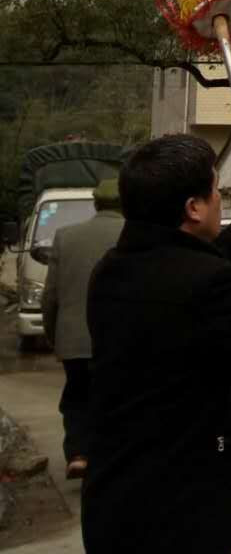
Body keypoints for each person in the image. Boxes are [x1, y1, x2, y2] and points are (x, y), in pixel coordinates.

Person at [82, 135, 231, 554]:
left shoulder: (111, 270)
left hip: (115, 494)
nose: (220, 202)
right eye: (215, 191)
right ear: (193, 208)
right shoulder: (207, 282)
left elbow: (181, 280)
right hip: (179, 504)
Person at [41, 177, 125, 480]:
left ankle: (78, 453)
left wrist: (54, 336)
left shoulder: (66, 236)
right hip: (119, 340)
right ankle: (111, 455)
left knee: (76, 397)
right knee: (115, 398)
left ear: (96, 203)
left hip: (73, 339)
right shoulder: (132, 236)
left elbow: (50, 296)